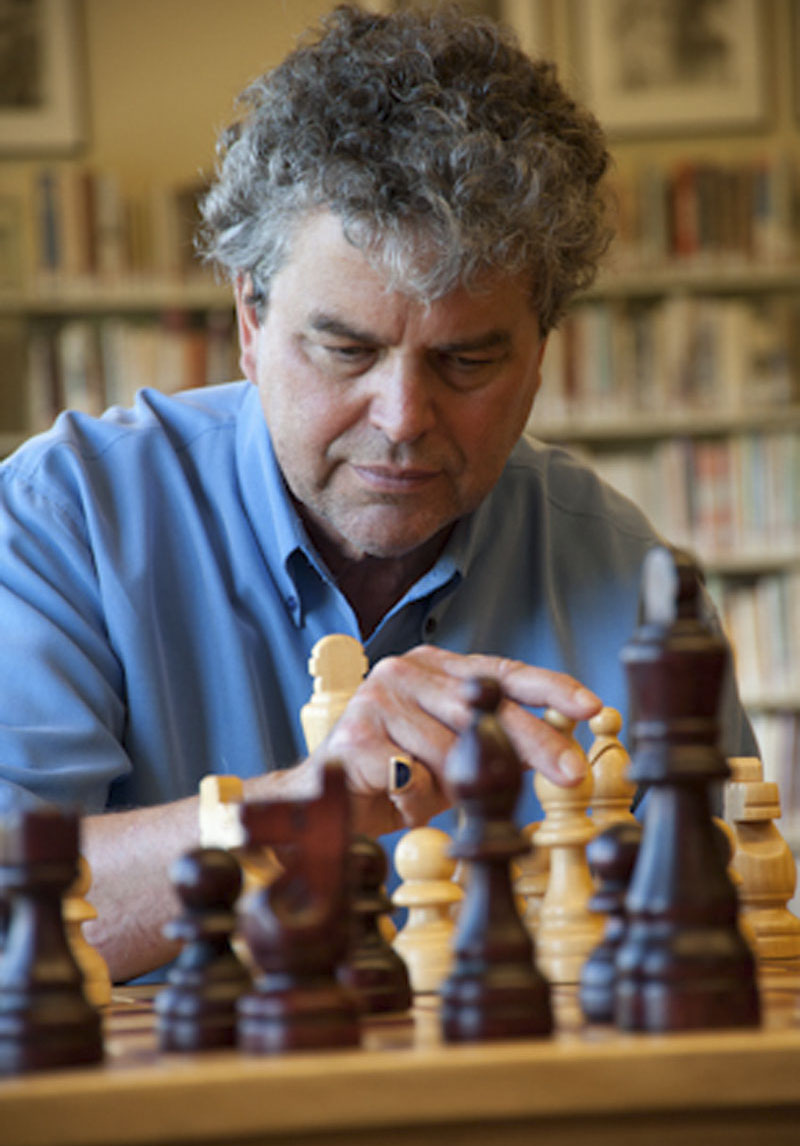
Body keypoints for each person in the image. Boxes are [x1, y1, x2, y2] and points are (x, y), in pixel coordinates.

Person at [0, 2, 755, 981]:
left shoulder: (631, 584)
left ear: (541, 353)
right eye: (344, 348)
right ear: (249, 320)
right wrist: (288, 814)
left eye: (467, 359)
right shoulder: (62, 523)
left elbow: (721, 955)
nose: (401, 416)